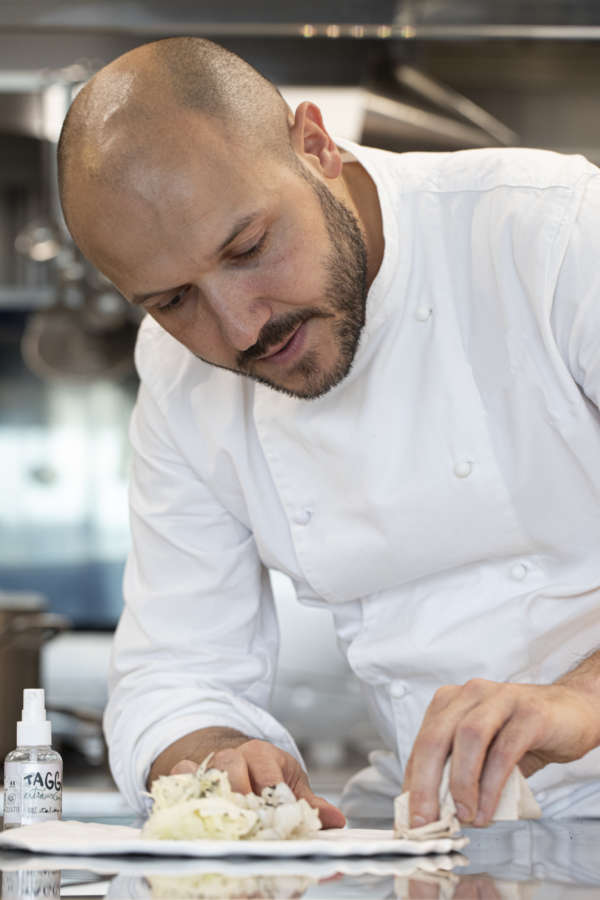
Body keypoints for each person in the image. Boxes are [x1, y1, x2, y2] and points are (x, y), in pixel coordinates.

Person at [57, 36, 600, 828]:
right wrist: (209, 751)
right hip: (440, 833)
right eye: (174, 302)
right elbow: (174, 670)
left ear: (317, 147)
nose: (240, 329)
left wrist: (580, 699)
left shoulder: (554, 236)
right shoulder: (180, 378)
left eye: (248, 248)